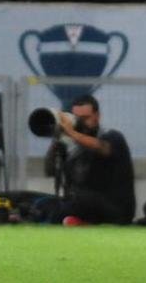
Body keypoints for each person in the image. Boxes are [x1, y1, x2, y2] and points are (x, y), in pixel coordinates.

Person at [44, 95, 136, 225]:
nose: (81, 123)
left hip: (116, 208)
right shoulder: (69, 143)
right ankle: (79, 223)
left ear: (97, 116)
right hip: (84, 204)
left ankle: (71, 222)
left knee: (77, 200)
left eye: (85, 118)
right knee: (45, 203)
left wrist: (72, 133)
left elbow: (102, 147)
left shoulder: (113, 137)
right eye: (77, 119)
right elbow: (49, 171)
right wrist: (57, 137)